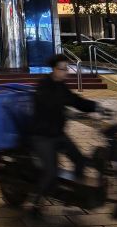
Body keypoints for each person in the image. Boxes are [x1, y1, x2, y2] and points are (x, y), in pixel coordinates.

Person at [31, 54, 99, 216]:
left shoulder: (61, 86)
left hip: (58, 134)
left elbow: (75, 100)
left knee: (80, 160)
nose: (65, 72)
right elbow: (49, 104)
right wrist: (67, 111)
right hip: (42, 136)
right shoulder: (43, 85)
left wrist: (96, 106)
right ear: (54, 69)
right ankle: (37, 202)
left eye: (66, 68)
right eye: (62, 69)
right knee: (51, 172)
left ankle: (75, 195)